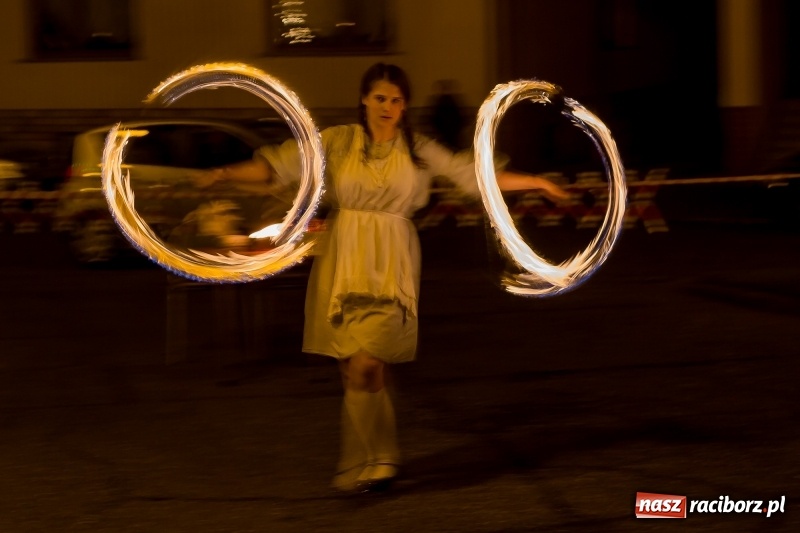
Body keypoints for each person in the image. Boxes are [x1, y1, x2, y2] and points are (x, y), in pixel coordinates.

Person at [196, 63, 570, 493]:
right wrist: (224, 173)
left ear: (405, 105)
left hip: (392, 260)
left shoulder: (419, 149)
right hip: (342, 256)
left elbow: (476, 177)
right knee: (353, 368)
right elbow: (277, 167)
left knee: (368, 364)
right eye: (379, 98)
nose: (387, 107)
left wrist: (536, 181)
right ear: (364, 100)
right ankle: (378, 458)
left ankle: (366, 463)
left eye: (395, 99)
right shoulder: (337, 142)